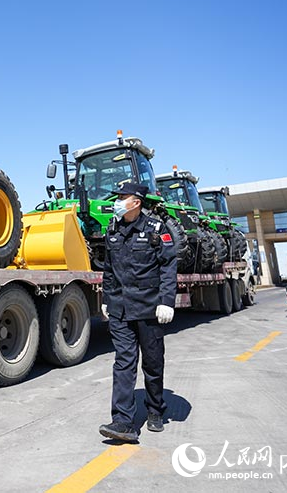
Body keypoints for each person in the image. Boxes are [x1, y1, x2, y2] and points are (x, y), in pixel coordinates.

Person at [98, 182, 177, 442]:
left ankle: (155, 410)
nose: (118, 201)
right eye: (117, 197)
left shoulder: (156, 230)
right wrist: (106, 299)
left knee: (153, 363)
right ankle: (122, 421)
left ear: (137, 202)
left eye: (123, 197)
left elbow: (167, 266)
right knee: (124, 362)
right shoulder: (112, 230)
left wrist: (166, 301)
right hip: (120, 309)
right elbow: (109, 270)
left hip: (149, 308)